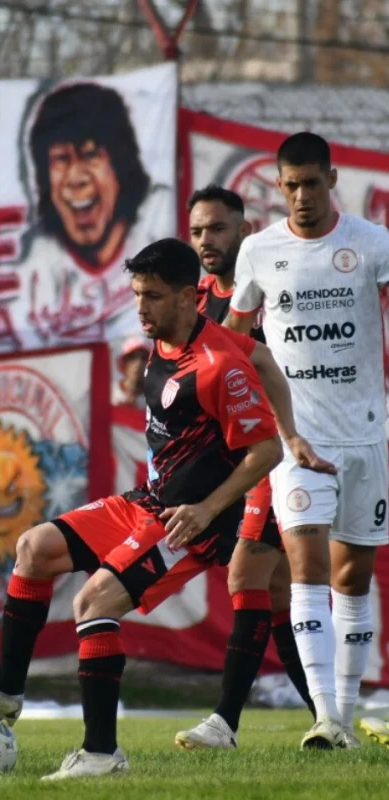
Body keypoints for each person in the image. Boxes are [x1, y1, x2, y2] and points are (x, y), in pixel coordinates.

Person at [0, 238, 283, 780]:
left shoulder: (220, 366)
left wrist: (208, 509)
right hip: (148, 501)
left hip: (188, 524)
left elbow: (266, 450)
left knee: (94, 600)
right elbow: (247, 372)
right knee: (34, 548)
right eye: (137, 294)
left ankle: (101, 754)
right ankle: (6, 689)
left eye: (153, 296)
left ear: (187, 297)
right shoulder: (161, 344)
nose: (141, 307)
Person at [224, 131, 389, 750]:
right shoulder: (259, 251)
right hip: (298, 442)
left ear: (332, 180)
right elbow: (236, 339)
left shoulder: (372, 243)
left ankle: (343, 714)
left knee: (353, 578)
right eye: (291, 186)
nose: (302, 196)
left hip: (366, 436)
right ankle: (323, 716)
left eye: (312, 184)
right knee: (307, 568)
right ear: (278, 186)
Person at [175, 185, 316, 752]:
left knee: (246, 576)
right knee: (276, 595)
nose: (206, 241)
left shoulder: (275, 290)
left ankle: (224, 724)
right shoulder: (196, 303)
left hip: (283, 452)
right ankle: (331, 719)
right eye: (197, 231)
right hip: (243, 460)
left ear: (245, 230)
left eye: (217, 229)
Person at [16, 82, 172, 345]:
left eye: (90, 155)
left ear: (120, 164)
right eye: (61, 159)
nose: (76, 178)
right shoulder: (35, 265)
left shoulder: (161, 226)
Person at [112, 337, 152, 409]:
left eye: (144, 358)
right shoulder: (109, 393)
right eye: (133, 357)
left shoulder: (156, 400)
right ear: (124, 362)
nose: (138, 363)